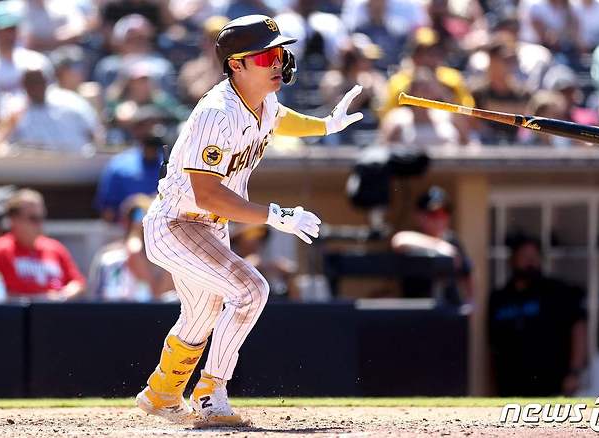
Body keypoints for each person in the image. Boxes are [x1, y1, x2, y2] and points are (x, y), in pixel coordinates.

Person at [135, 15, 363, 426]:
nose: (278, 62)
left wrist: (325, 126)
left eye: (279, 52)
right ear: (236, 64)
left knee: (201, 315)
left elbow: (280, 119)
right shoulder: (216, 112)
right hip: (176, 223)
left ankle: (163, 393)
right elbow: (207, 193)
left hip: (206, 226)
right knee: (251, 289)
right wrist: (276, 215)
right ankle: (211, 392)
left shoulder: (263, 100)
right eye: (266, 56)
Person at [488, 235, 587, 396]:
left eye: (535, 257)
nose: (530, 262)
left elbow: (578, 329)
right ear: (513, 260)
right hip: (510, 385)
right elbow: (492, 346)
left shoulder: (557, 292)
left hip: (551, 383)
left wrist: (574, 372)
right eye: (525, 257)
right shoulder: (500, 298)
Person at [0, 189, 86, 300]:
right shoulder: (0, 249)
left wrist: (62, 296)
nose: (39, 224)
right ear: (14, 220)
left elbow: (78, 283)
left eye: (41, 218)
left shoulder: (55, 248)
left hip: (54, 313)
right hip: (17, 315)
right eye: (33, 218)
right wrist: (24, 300)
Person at [391, 186, 472, 306]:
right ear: (419, 216)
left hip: (448, 312)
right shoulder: (415, 239)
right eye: (434, 214)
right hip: (418, 312)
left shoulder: (453, 241)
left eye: (445, 213)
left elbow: (467, 275)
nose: (440, 219)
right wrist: (438, 246)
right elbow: (399, 240)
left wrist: (471, 303)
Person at [88, 194, 173, 301]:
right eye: (134, 217)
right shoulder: (108, 257)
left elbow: (159, 295)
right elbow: (94, 296)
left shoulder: (166, 257)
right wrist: (136, 231)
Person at [0, 1, 51, 124]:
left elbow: (49, 98)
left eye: (13, 28)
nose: (9, 34)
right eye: (4, 29)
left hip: (36, 123)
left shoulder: (37, 61)